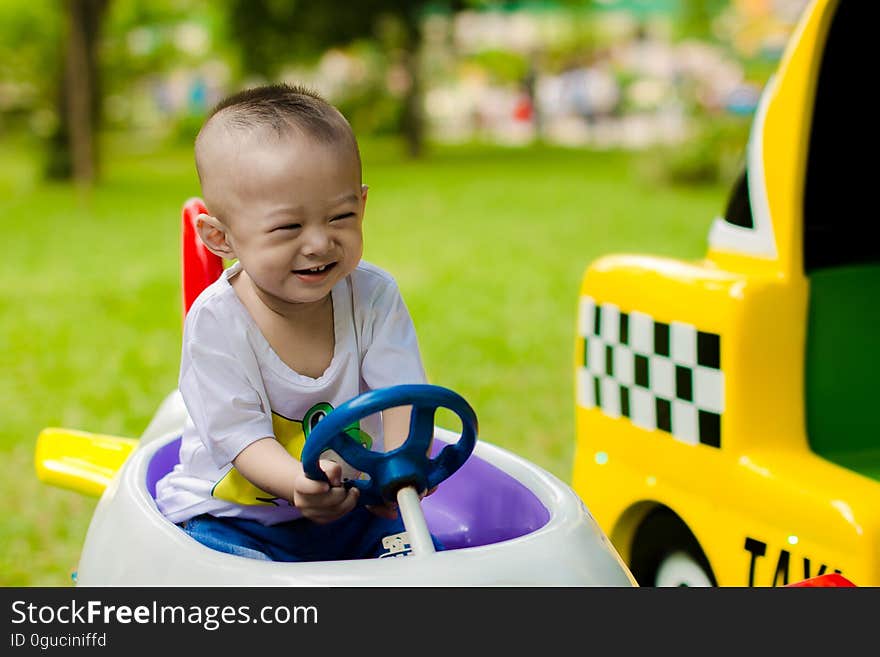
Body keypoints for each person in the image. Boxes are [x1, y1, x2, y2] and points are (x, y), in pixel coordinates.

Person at [154, 83, 439, 562]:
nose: (319, 243)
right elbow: (239, 435)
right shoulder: (217, 321)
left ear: (363, 206)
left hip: (353, 509)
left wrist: (402, 463)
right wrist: (297, 485)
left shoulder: (374, 296)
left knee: (430, 560)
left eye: (340, 217)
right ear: (219, 236)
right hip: (235, 518)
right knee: (225, 571)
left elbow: (402, 395)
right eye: (289, 227)